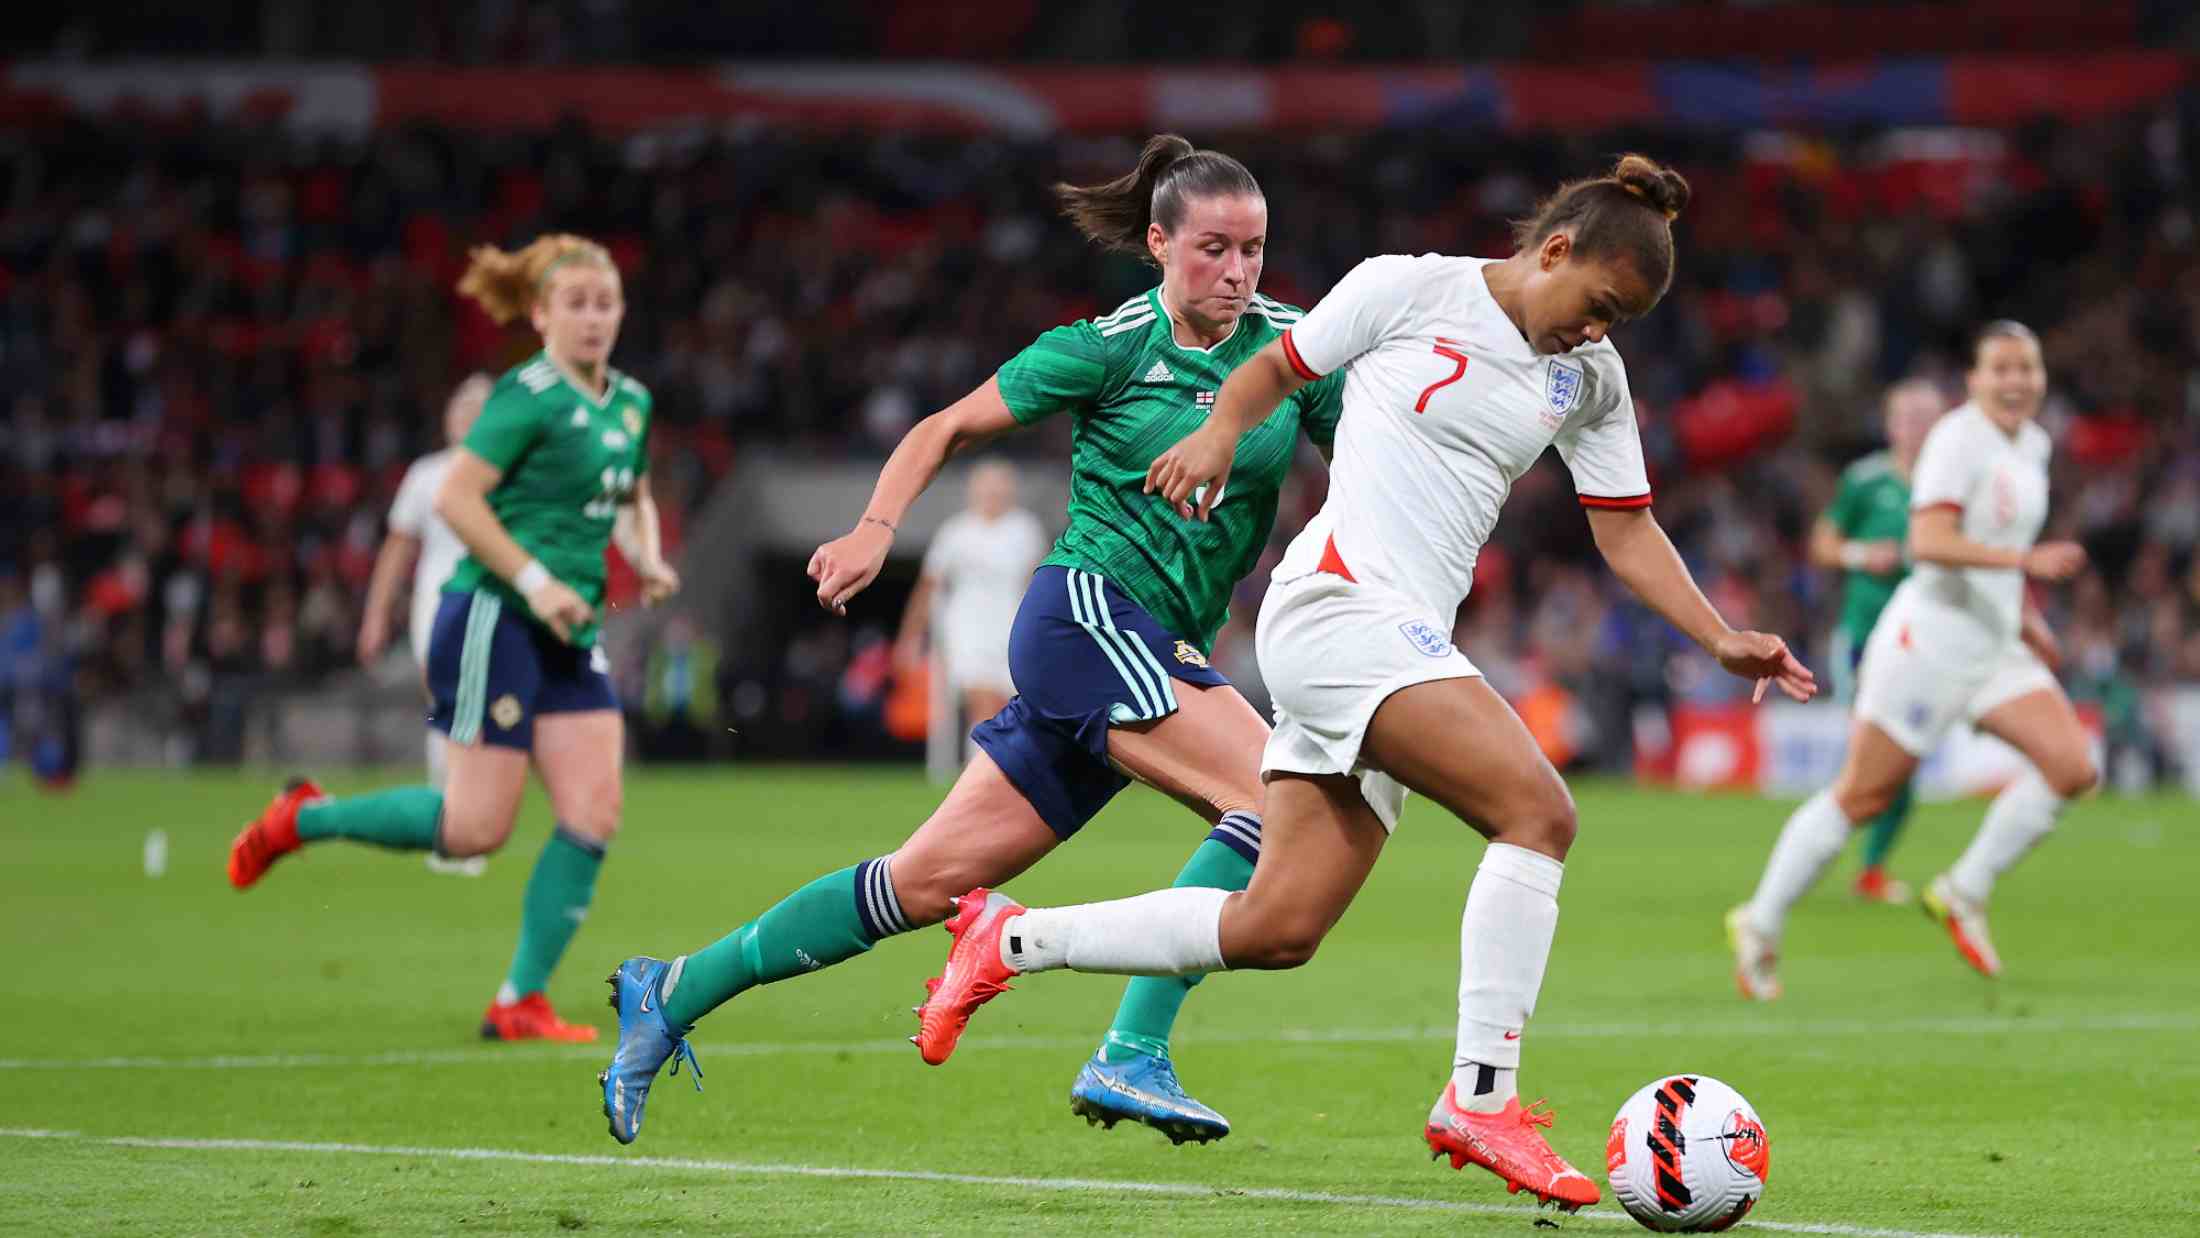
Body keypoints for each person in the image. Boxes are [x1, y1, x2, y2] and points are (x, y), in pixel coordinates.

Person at [905, 155, 1816, 1213]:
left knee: (1276, 926)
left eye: (1619, 321)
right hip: (1339, 607)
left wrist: (1718, 636)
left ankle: (1011, 938)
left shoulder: (1593, 379)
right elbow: (1272, 368)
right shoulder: (1409, 287)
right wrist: (1217, 433)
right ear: (1555, 250)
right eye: (1599, 303)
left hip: (1400, 636)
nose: (1596, 330)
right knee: (1538, 812)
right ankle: (1481, 1096)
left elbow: (1625, 528)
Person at [598, 134, 1344, 1148]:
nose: (1238, 271)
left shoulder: (1294, 351)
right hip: (1086, 620)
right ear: (1159, 244)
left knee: (919, 882)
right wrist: (874, 528)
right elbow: (942, 428)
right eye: (1214, 248)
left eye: (1253, 249)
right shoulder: (1108, 347)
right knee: (1268, 798)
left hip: (1148, 650)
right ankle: (1131, 1050)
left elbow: (1372, 456)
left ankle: (674, 989)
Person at [226, 234, 680, 1042]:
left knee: (594, 809)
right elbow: (457, 498)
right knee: (477, 828)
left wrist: (645, 555)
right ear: (540, 314)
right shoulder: (525, 396)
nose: (592, 318)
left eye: (604, 304)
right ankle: (304, 818)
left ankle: (519, 1000)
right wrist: (535, 581)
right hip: (494, 617)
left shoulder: (632, 403)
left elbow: (632, 495)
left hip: (568, 628)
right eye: (575, 304)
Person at [1729, 321, 2093, 998]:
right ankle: (1761, 921)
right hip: (1928, 644)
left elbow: (1993, 540)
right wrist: (2025, 563)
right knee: (1863, 796)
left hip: (1995, 645)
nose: (2016, 381)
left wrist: (2027, 618)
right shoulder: (1957, 440)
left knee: (2073, 767)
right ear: (1974, 380)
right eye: (2001, 369)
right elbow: (1928, 542)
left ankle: (1963, 890)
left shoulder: (2034, 445)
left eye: (2027, 368)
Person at [1807, 378, 1946, 904]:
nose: (1918, 428)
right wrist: (1862, 555)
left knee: (1905, 763)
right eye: (1908, 417)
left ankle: (1870, 870)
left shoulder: (1952, 485)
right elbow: (1823, 543)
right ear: (1890, 426)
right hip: (1866, 638)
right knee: (1870, 757)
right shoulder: (1865, 481)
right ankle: (1811, 853)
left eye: (1927, 418)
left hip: (1928, 642)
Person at [359, 373, 494, 877]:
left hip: (493, 604)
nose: (469, 421)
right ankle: (451, 824)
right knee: (449, 709)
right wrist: (375, 615)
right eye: (463, 411)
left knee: (477, 715)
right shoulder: (426, 476)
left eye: (479, 412)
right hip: (437, 604)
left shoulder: (509, 475)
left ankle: (468, 823)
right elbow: (396, 550)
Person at [893, 458, 1050, 731]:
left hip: (1013, 625)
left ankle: (995, 751)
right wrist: (911, 635)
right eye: (986, 486)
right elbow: (929, 586)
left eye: (999, 486)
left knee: (1012, 704)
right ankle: (981, 752)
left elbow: (1041, 585)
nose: (993, 493)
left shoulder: (1026, 529)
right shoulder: (955, 532)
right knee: (981, 700)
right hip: (967, 628)